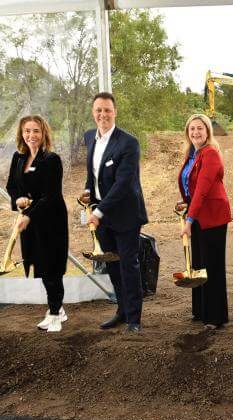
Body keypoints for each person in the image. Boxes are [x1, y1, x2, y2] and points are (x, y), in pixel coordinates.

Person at [80, 92, 148, 334]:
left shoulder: (128, 142)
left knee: (128, 265)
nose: (103, 115)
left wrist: (98, 212)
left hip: (126, 214)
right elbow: (93, 172)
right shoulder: (90, 137)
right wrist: (88, 191)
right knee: (112, 264)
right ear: (93, 112)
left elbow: (124, 183)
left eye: (107, 110)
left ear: (115, 112)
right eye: (98, 110)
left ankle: (134, 320)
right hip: (102, 213)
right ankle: (121, 310)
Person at [6, 115, 68, 333]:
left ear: (44, 135)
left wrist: (28, 214)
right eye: (27, 131)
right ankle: (57, 308)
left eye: (36, 131)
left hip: (51, 221)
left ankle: (54, 314)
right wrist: (18, 199)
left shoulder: (51, 160)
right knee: (40, 266)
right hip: (31, 221)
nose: (31, 136)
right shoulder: (18, 158)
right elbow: (12, 187)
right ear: (21, 134)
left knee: (52, 268)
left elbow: (51, 196)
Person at [176, 113, 231, 331]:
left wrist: (189, 218)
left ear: (207, 131)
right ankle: (201, 311)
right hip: (197, 212)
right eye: (192, 129)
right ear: (188, 133)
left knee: (212, 265)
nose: (196, 132)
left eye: (200, 128)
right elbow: (191, 186)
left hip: (213, 216)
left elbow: (203, 189)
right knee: (198, 262)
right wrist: (185, 203)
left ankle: (215, 317)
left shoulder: (210, 154)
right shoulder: (192, 153)